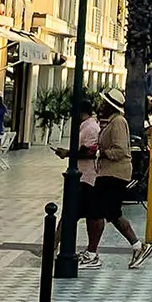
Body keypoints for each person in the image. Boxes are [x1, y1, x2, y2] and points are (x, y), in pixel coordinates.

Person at [83, 87, 152, 269]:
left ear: (110, 106)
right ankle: (136, 246)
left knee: (98, 212)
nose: (100, 105)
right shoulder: (111, 122)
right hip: (108, 173)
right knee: (111, 213)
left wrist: (101, 153)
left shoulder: (118, 123)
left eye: (104, 103)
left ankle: (93, 254)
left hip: (114, 174)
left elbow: (121, 150)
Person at [53, 100, 100, 259]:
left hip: (86, 177)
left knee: (72, 213)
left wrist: (68, 153)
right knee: (74, 213)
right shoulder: (85, 127)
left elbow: (89, 152)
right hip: (83, 176)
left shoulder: (90, 128)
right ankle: (54, 245)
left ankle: (57, 246)